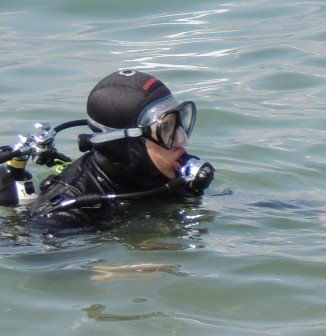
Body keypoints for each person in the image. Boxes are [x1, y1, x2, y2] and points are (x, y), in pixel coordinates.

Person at [14, 69, 214, 233]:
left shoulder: (166, 175)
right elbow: (33, 261)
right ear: (125, 144)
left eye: (180, 121)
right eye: (166, 129)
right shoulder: (65, 214)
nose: (182, 139)